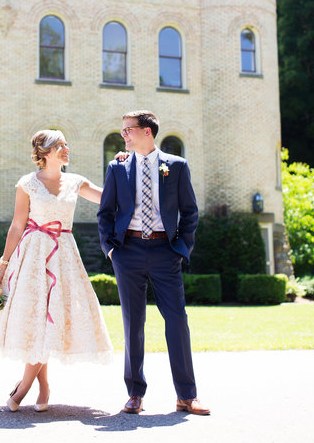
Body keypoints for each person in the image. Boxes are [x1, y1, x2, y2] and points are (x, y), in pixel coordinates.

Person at [0, 130, 113, 411]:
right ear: (46, 151)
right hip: (32, 256)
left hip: (63, 255)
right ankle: (43, 387)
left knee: (51, 318)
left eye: (66, 144)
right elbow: (16, 225)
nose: (67, 148)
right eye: (61, 145)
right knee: (37, 319)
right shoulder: (27, 184)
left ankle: (23, 387)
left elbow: (109, 197)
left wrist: (121, 165)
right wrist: (3, 265)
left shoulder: (76, 182)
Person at [97, 110, 210, 416]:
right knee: (133, 323)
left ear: (147, 131)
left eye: (128, 130)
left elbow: (190, 212)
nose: (124, 135)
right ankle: (135, 392)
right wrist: (111, 250)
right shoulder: (117, 167)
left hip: (165, 252)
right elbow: (105, 212)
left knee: (177, 321)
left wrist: (181, 248)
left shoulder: (176, 166)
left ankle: (187, 395)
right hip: (127, 251)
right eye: (122, 131)